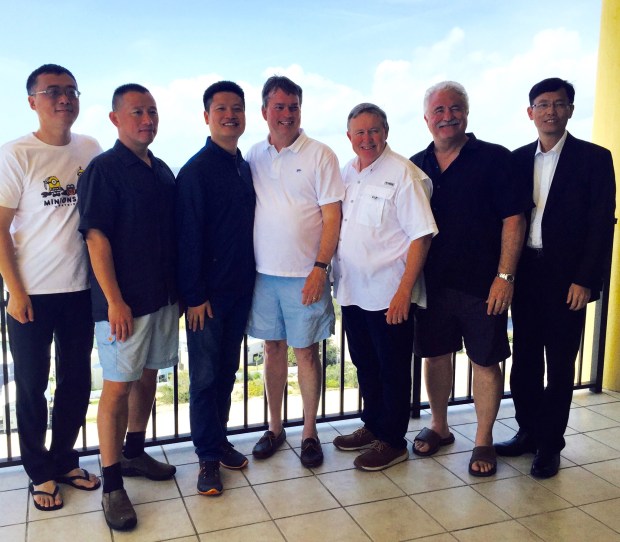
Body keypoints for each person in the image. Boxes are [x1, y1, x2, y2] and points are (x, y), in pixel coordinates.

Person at [495, 78, 616, 478]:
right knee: (525, 359)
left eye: (558, 104)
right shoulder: (515, 159)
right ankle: (527, 431)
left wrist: (586, 279)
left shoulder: (595, 159)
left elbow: (601, 225)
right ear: (530, 112)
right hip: (526, 271)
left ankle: (551, 444)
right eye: (542, 104)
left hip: (568, 279)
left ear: (570, 110)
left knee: (561, 361)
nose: (550, 111)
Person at [410, 81, 529, 477]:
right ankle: (440, 426)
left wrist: (505, 276)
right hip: (432, 285)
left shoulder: (496, 159)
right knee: (436, 355)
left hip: (483, 285)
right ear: (427, 119)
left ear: (466, 112)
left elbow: (514, 219)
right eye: (439, 110)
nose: (448, 116)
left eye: (455, 108)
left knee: (486, 360)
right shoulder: (415, 165)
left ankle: (483, 439)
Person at [0, 64, 102, 512]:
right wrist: (15, 291)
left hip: (81, 290)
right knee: (31, 386)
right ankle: (38, 471)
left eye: (71, 91)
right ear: (32, 101)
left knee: (77, 382)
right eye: (52, 92)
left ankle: (64, 460)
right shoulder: (16, 154)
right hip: (32, 294)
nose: (64, 99)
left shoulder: (91, 148)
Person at [78, 84, 178, 530]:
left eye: (152, 111)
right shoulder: (104, 169)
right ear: (116, 118)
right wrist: (115, 300)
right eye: (137, 111)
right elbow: (95, 237)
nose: (147, 119)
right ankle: (113, 483)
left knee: (148, 376)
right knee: (117, 387)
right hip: (122, 304)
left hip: (161, 299)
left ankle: (135, 452)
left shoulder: (161, 170)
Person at [246, 75, 344, 468]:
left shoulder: (321, 154)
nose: (287, 114)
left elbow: (332, 217)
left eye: (293, 107)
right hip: (263, 275)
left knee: (305, 353)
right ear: (265, 111)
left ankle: (308, 432)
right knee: (272, 350)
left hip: (307, 274)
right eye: (280, 107)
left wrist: (321, 267)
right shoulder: (253, 154)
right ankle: (274, 427)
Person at [332, 103, 437, 470]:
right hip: (353, 291)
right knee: (366, 364)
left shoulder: (404, 173)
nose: (367, 139)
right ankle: (373, 425)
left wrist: (404, 292)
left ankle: (392, 440)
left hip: (390, 294)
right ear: (349, 138)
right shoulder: (346, 173)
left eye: (373, 130)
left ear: (386, 132)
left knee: (392, 368)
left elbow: (421, 236)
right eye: (359, 132)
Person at [176, 81, 255, 496]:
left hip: (239, 291)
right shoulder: (195, 171)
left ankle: (219, 440)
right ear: (206, 116)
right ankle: (206, 457)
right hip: (205, 299)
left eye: (237, 108)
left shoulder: (242, 165)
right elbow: (187, 237)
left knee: (226, 372)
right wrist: (194, 296)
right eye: (221, 108)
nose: (230, 115)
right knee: (205, 377)